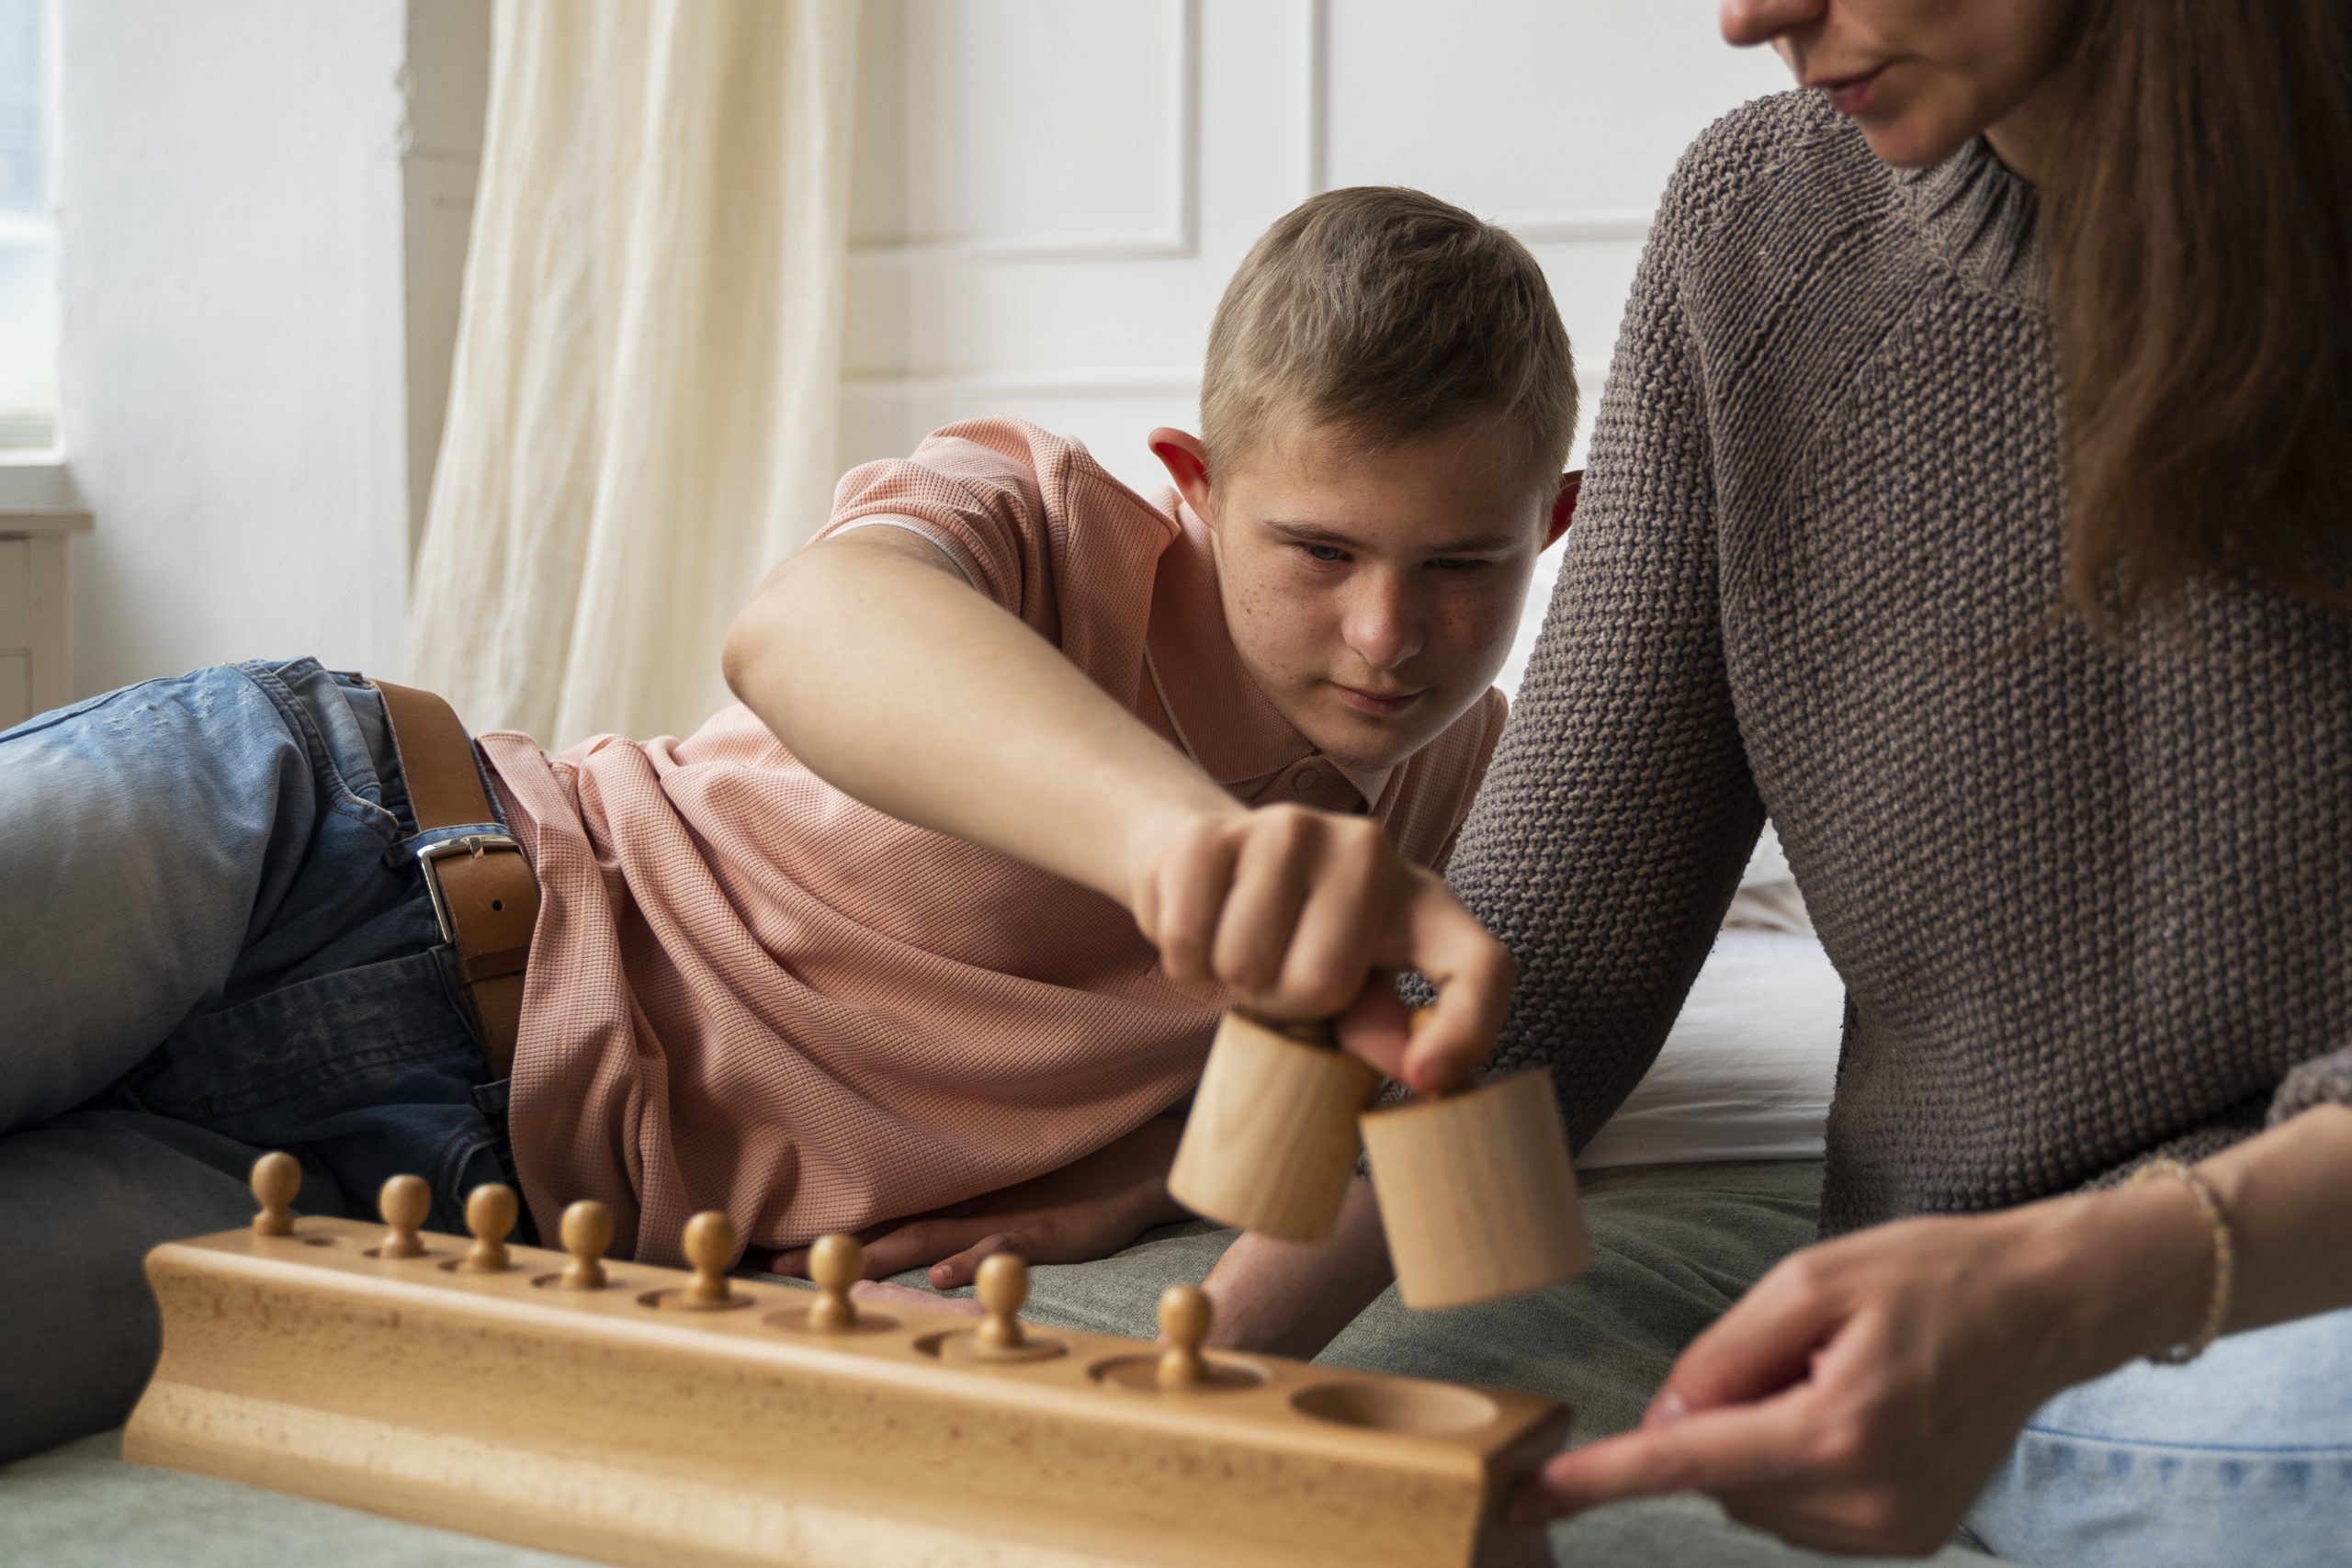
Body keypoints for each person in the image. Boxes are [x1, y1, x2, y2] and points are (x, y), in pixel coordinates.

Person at [0, 186, 1577, 1461]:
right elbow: (808, 627)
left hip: (416, 1204)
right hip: (326, 841)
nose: (1388, 636)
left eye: (1462, 569)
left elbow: (1435, 1147)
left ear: (1553, 529)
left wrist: (1157, 1174)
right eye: (1319, 551)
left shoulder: (1483, 797)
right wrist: (1190, 848)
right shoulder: (1029, 514)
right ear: (1198, 486)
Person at [1202, 3, 2352, 1563]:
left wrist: (2055, 1293)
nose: (1751, 13)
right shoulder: (1759, 230)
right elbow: (1538, 970)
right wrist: (1180, 1373)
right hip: (1978, 1325)